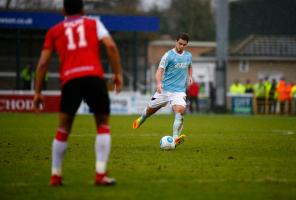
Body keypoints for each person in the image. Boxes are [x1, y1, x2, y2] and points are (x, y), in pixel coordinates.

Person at [33, 0, 123, 186]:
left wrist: (38, 92)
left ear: (63, 10)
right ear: (83, 9)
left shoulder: (54, 31)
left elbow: (43, 63)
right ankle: (100, 174)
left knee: (63, 128)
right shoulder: (93, 23)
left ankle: (55, 176)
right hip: (93, 77)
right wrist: (117, 74)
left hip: (70, 80)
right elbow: (111, 47)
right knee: (103, 125)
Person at [132, 33, 193, 147]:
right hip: (164, 90)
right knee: (150, 110)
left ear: (186, 45)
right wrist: (159, 83)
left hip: (179, 91)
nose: (181, 46)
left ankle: (175, 138)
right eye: (180, 43)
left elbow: (189, 66)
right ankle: (142, 118)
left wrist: (190, 76)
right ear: (176, 42)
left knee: (179, 110)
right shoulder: (168, 56)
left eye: (184, 45)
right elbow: (159, 71)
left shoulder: (188, 56)